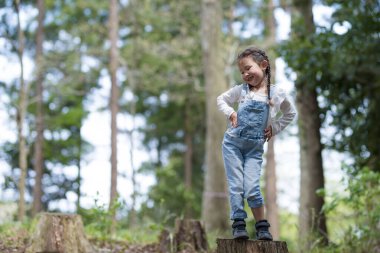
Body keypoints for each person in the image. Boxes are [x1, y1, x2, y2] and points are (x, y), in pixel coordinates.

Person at [217, 46, 297, 240]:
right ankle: (238, 224)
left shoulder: (276, 94)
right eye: (241, 71)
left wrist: (275, 128)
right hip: (233, 144)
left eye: (248, 68)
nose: (245, 74)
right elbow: (221, 99)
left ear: (263, 65)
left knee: (252, 187)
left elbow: (290, 113)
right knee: (236, 186)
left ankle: (262, 226)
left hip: (254, 148)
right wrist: (231, 112)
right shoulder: (241, 91)